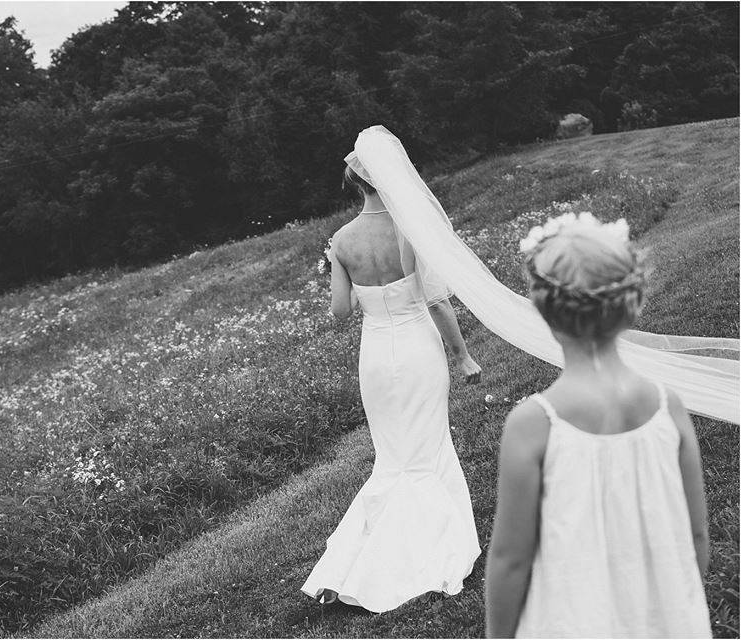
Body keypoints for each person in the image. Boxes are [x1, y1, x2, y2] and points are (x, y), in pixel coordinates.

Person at [484, 213, 711, 638]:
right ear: (633, 303)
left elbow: (510, 560)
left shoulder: (534, 423)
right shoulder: (668, 407)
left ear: (542, 309)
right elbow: (696, 535)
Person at [300, 163, 482, 613]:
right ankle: (427, 545)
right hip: (419, 346)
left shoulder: (341, 241)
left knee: (394, 455)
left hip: (377, 355)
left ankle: (368, 556)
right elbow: (434, 299)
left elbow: (341, 312)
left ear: (354, 185)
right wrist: (462, 355)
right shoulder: (408, 227)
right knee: (427, 443)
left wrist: (335, 268)